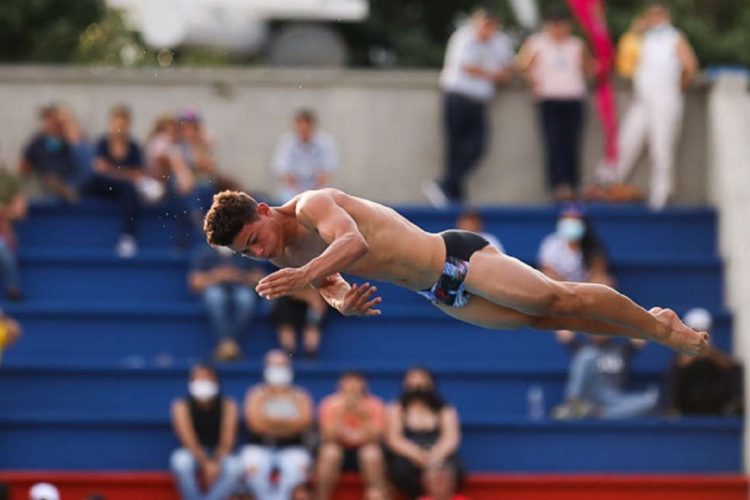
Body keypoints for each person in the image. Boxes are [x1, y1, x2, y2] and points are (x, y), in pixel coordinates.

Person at [203, 189, 709, 356]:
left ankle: (658, 326)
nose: (258, 253)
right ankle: (651, 325)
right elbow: (331, 283)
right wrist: (342, 303)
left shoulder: (313, 206)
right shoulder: (284, 258)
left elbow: (352, 242)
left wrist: (304, 277)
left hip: (454, 257)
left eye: (254, 240)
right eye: (247, 255)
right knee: (543, 320)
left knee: (552, 299)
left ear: (264, 211)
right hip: (438, 293)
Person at [424, 7, 515, 207]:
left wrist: (498, 74)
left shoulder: (500, 42)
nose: (487, 31)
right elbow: (467, 67)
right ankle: (454, 193)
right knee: (454, 146)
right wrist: (493, 74)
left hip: (479, 101)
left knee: (478, 147)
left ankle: (446, 184)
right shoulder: (463, 38)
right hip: (457, 97)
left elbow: (508, 69)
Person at [615, 3, 699, 209]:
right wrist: (637, 29)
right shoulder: (643, 38)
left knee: (661, 146)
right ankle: (612, 183)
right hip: (643, 98)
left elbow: (690, 66)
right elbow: (625, 59)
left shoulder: (674, 37)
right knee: (627, 139)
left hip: (665, 97)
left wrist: (675, 87)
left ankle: (661, 194)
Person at [517, 8, 592, 201]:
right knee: (553, 143)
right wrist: (532, 79)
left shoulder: (576, 44)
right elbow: (522, 65)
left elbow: (588, 68)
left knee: (571, 144)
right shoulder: (537, 43)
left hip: (573, 99)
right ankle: (557, 186)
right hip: (549, 99)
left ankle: (573, 184)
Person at [242, 350, 313, 500]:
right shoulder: (255, 394)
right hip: (259, 446)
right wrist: (288, 423)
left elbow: (304, 423)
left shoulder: (300, 395)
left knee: (297, 472)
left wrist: (268, 421)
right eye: (273, 366)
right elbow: (255, 425)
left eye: (281, 366)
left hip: (293, 447)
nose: (278, 370)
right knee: (253, 471)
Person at [386, 367, 463, 500]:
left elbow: (451, 438)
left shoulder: (444, 409)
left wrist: (435, 456)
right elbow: (394, 439)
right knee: (401, 471)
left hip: (438, 453)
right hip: (409, 454)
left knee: (454, 469)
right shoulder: (396, 408)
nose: (418, 387)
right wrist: (417, 456)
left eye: (422, 383)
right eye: (414, 383)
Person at [170, 364, 243, 500]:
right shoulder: (181, 406)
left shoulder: (228, 405)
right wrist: (205, 463)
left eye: (206, 378)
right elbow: (187, 438)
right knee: (180, 462)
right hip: (194, 452)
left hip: (220, 452)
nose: (202, 382)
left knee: (235, 467)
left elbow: (228, 439)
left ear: (216, 382)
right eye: (198, 378)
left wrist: (215, 462)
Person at [552, 330, 658, 419]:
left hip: (614, 398)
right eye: (593, 326)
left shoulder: (622, 348)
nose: (597, 331)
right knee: (587, 354)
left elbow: (640, 337)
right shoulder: (580, 347)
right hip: (590, 394)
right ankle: (572, 402)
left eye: (602, 325)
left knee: (649, 401)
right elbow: (563, 331)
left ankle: (595, 413)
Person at [316, 371, 388, 500]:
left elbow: (377, 437)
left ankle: (377, 495)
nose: (352, 387)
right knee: (330, 452)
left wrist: (364, 416)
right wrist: (340, 413)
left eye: (356, 383)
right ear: (340, 385)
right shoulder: (330, 403)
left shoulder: (375, 404)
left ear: (364, 385)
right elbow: (328, 436)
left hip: (365, 450)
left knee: (371, 453)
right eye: (348, 383)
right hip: (339, 450)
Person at [87, 105, 147, 258]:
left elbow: (139, 174)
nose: (120, 128)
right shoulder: (102, 143)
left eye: (123, 124)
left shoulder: (133, 147)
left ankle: (127, 237)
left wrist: (112, 171)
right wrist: (125, 174)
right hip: (103, 187)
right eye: (117, 124)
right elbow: (99, 169)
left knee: (130, 190)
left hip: (122, 189)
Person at [189, 243, 266, 361]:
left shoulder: (245, 250)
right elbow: (195, 283)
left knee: (245, 299)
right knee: (215, 297)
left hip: (241, 286)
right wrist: (217, 276)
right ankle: (230, 343)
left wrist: (239, 275)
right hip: (214, 287)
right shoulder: (204, 253)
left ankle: (226, 343)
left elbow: (260, 279)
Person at [667, 308, 743, 416]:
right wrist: (692, 354)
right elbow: (679, 368)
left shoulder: (716, 354)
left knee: (735, 368)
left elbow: (729, 367)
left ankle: (733, 407)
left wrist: (708, 352)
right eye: (695, 331)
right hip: (688, 404)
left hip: (714, 402)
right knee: (676, 368)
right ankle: (674, 410)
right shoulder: (679, 360)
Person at [18, 105, 89, 202]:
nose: (49, 123)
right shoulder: (38, 142)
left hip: (71, 179)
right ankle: (62, 190)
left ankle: (66, 190)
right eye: (46, 119)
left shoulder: (71, 139)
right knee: (50, 181)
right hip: (47, 182)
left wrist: (70, 131)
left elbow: (84, 159)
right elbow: (23, 168)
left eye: (52, 119)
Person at [537, 204, 614, 286]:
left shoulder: (593, 244)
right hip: (560, 287)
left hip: (585, 288)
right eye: (566, 219)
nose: (570, 223)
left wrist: (581, 290)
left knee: (604, 281)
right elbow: (546, 269)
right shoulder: (551, 242)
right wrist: (568, 288)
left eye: (574, 220)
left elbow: (598, 271)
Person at [272, 109, 338, 204]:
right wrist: (299, 193)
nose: (302, 129)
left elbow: (327, 173)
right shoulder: (287, 143)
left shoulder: (325, 143)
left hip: (318, 190)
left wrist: (312, 193)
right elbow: (284, 174)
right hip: (292, 193)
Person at [272, 288, 328, 358]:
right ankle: (289, 354)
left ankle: (310, 356)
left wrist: (312, 298)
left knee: (316, 307)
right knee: (286, 328)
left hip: (313, 298)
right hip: (287, 298)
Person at [0, 168, 26, 300]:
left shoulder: (9, 180)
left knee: (3, 248)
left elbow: (20, 212)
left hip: (3, 230)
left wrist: (4, 210)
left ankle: (13, 288)